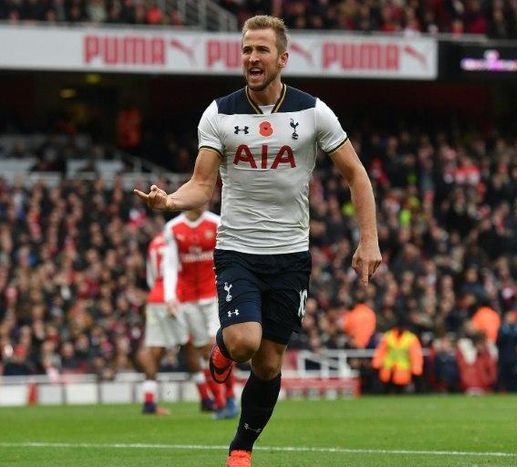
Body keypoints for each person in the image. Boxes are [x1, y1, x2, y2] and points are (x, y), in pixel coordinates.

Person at [134, 15, 381, 467]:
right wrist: (170, 200)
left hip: (290, 256)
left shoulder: (312, 112)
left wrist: (369, 241)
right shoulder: (220, 113)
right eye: (247, 49)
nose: (252, 57)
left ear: (282, 58)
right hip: (238, 251)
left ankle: (241, 448)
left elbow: (356, 174)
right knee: (245, 342)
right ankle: (224, 349)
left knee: (268, 364)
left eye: (262, 49)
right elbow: (202, 185)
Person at [163, 206, 238, 420]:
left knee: (217, 345)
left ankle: (230, 397)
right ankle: (220, 402)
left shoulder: (216, 223)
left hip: (214, 295)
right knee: (203, 350)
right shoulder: (173, 228)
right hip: (187, 299)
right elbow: (170, 265)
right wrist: (170, 296)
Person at [137, 231, 177, 415]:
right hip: (176, 296)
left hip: (154, 298)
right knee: (195, 344)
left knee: (153, 348)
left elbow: (151, 277)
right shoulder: (178, 237)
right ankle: (211, 399)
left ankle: (149, 400)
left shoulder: (154, 243)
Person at [372, 317, 423, 393]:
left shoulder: (410, 338)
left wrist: (416, 369)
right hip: (388, 368)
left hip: (403, 370)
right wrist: (376, 364)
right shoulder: (388, 336)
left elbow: (416, 355)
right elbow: (380, 351)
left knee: (400, 391)